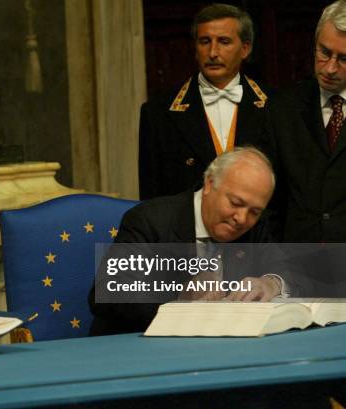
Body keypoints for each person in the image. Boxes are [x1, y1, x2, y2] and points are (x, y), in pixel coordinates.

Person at [90, 147, 291, 335]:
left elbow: (288, 267)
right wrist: (180, 299)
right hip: (141, 348)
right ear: (209, 184)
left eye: (254, 211)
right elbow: (107, 293)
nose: (242, 218)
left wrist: (271, 283)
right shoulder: (150, 220)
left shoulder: (254, 224)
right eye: (235, 203)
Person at [138, 4, 270, 200]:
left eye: (224, 42)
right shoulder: (158, 113)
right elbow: (151, 201)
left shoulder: (276, 107)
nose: (213, 52)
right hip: (186, 228)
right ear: (195, 47)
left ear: (245, 49)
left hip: (257, 227)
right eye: (205, 42)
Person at [266, 0, 346, 243]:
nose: (330, 68)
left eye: (344, 58)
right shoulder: (282, 109)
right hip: (295, 264)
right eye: (324, 52)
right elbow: (271, 201)